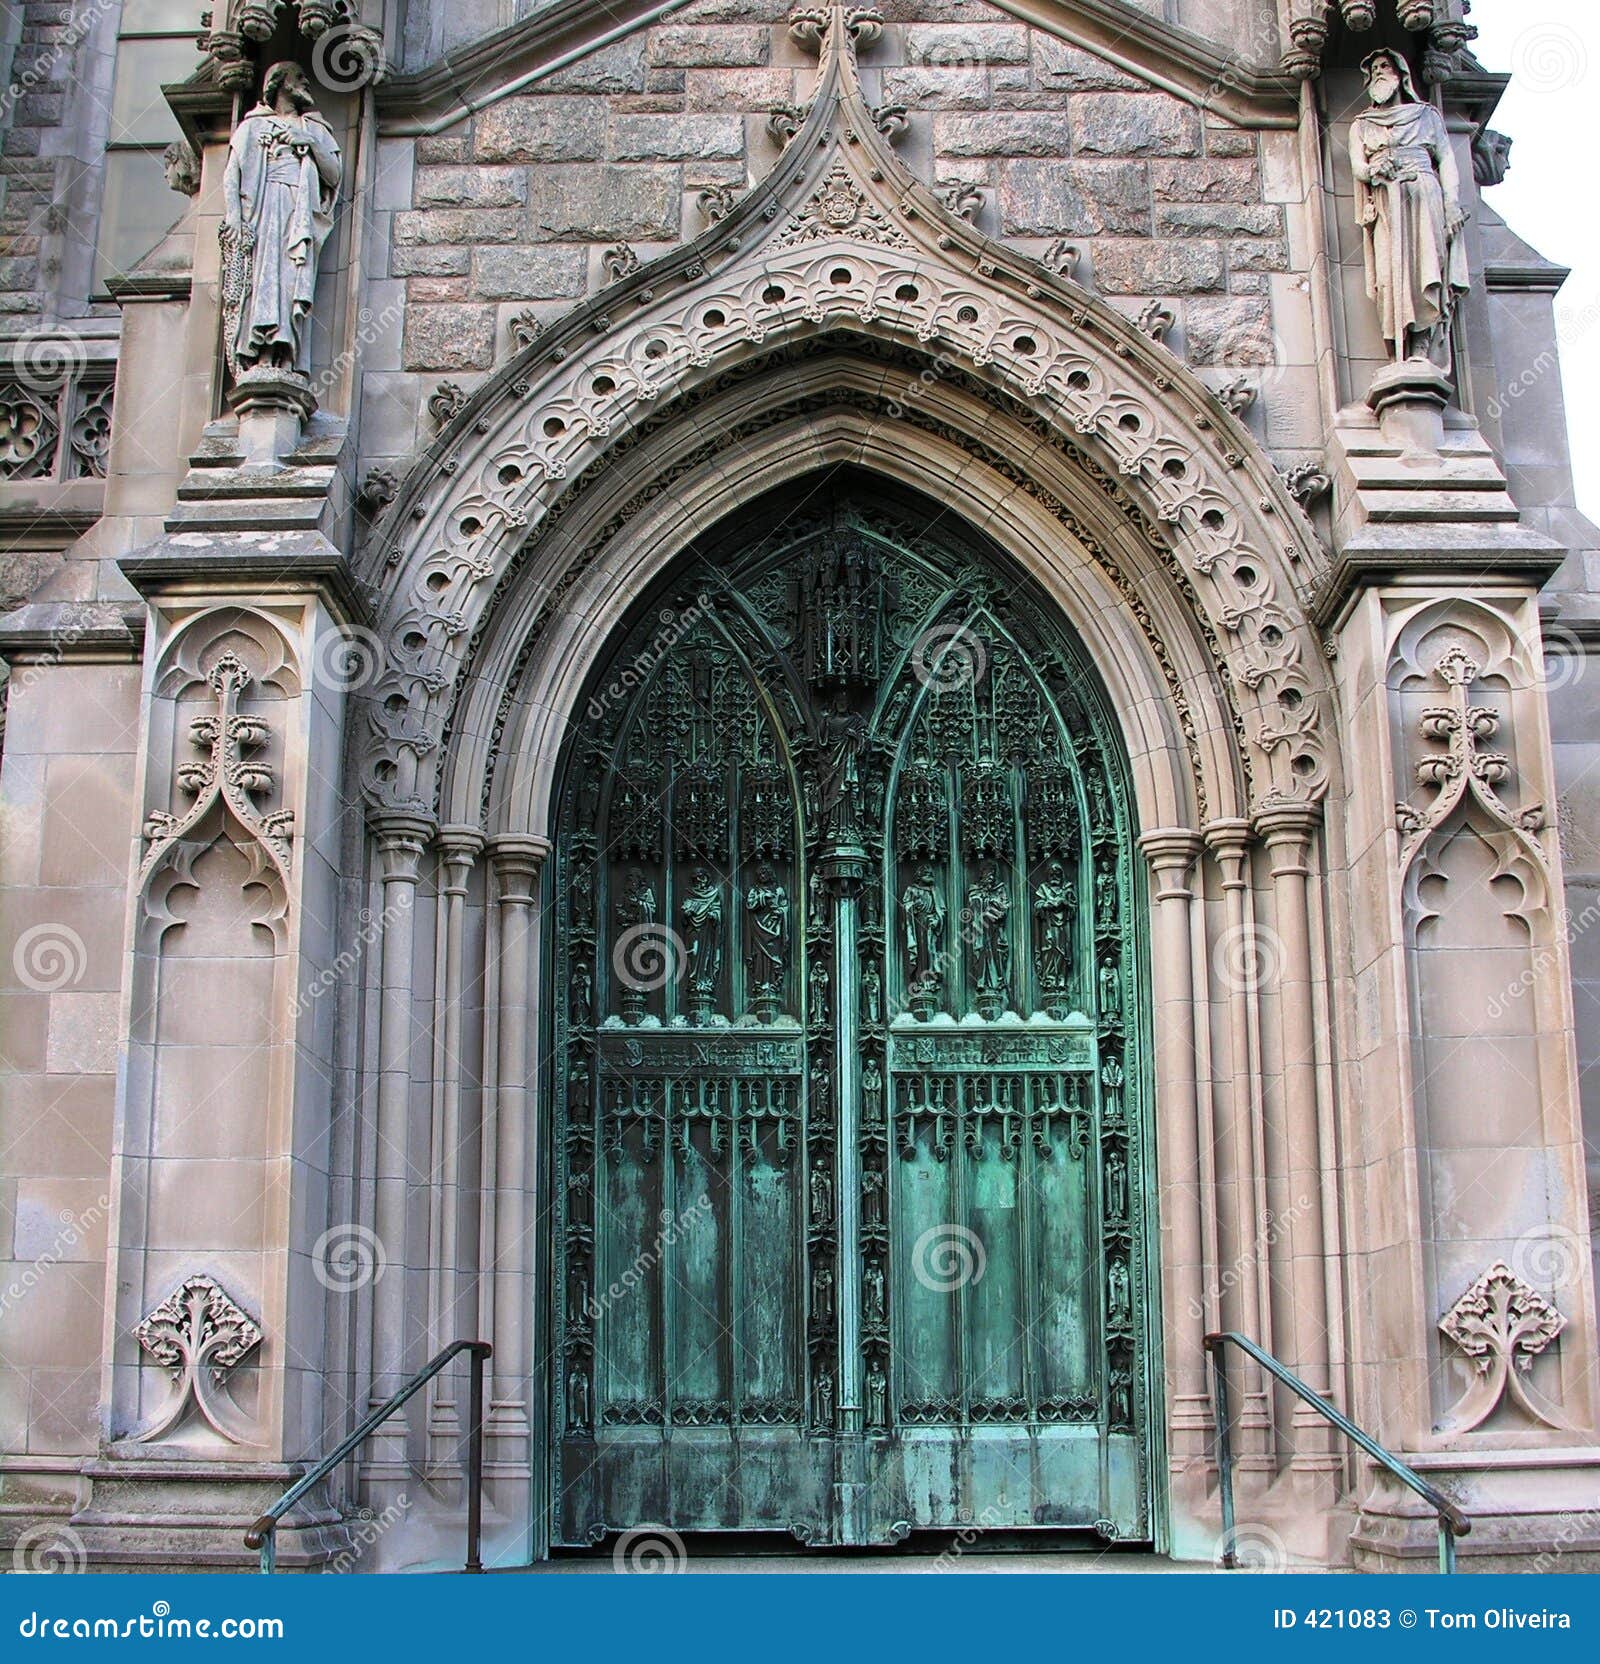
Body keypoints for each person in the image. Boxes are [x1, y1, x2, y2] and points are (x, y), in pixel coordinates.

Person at [1348, 49, 1469, 372]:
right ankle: (1396, 346)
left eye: (1384, 66)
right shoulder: (1361, 125)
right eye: (1373, 69)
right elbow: (1358, 165)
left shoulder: (1426, 116)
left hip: (1424, 194)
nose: (1378, 72)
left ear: (1401, 74)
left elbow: (1446, 159)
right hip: (1386, 201)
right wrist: (1374, 170)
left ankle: (1421, 345)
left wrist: (1452, 204)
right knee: (1388, 274)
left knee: (1425, 267)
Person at [220, 63, 342, 380]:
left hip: (298, 211)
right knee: (263, 278)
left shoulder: (313, 127)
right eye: (299, 77)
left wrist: (309, 142)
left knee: (292, 279)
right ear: (280, 83)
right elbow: (232, 174)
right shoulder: (252, 126)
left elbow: (333, 175)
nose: (306, 83)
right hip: (263, 211)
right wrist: (234, 215)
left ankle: (286, 354)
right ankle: (260, 352)